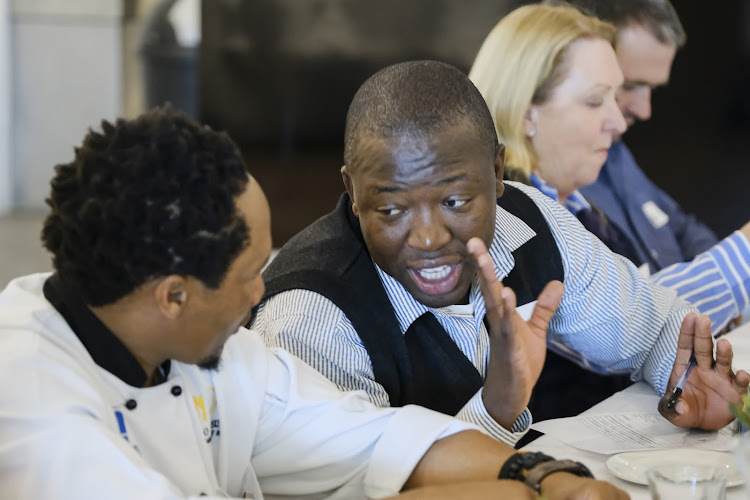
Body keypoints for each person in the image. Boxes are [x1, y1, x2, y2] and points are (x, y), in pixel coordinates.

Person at [0, 107, 629, 500]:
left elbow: (372, 439)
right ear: (173, 296)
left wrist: (541, 475)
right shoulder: (37, 419)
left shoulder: (212, 350)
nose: (262, 292)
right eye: (250, 276)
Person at [253, 60, 749, 443]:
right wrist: (495, 410)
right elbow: (371, 485)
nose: (427, 239)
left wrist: (686, 381)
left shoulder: (530, 222)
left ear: (497, 173)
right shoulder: (311, 318)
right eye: (390, 211)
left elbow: (652, 329)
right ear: (352, 191)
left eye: (454, 201)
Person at [469, 3, 750, 337]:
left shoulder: (578, 205)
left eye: (616, 95)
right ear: (526, 111)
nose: (619, 121)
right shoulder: (509, 220)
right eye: (595, 100)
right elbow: (618, 328)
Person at [554, 0, 724, 276]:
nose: (644, 111)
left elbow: (682, 229)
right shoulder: (552, 191)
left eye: (652, 90)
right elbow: (629, 308)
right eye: (628, 86)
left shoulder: (616, 153)